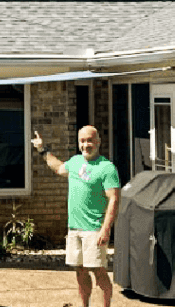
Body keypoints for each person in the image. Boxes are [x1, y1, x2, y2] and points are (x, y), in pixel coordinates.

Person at [32, 126, 120, 307]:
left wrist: (106, 228)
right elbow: (58, 167)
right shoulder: (75, 162)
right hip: (74, 229)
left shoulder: (107, 168)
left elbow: (114, 199)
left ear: (98, 142)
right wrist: (42, 149)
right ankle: (85, 305)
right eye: (82, 141)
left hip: (94, 229)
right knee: (80, 271)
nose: (86, 144)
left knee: (98, 270)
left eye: (90, 140)